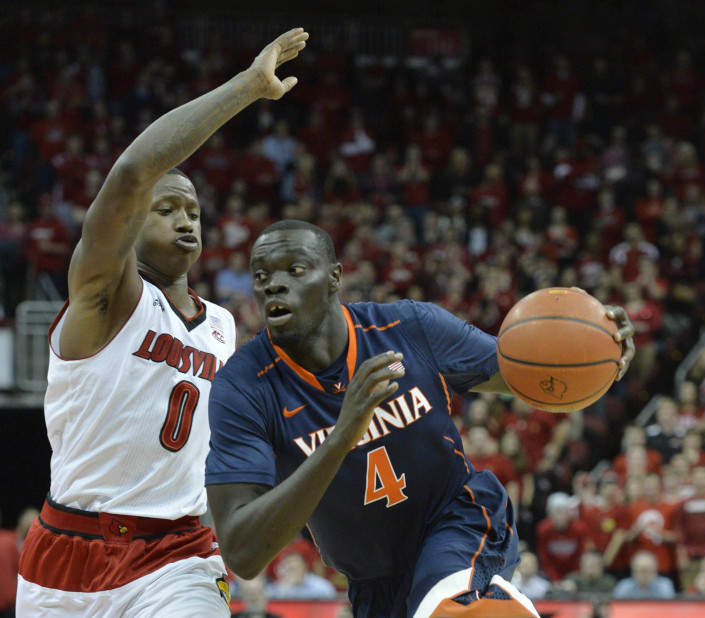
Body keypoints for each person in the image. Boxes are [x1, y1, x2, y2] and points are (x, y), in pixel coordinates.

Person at [16, 28, 309, 617]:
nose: (185, 220)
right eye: (167, 207)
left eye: (194, 210)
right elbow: (129, 175)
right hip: (67, 551)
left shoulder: (226, 326)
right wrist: (248, 87)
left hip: (178, 553)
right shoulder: (105, 295)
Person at [205, 219, 636, 618]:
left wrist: (598, 354)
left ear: (334, 277)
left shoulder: (409, 327)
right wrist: (340, 438)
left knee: (450, 607)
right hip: (371, 582)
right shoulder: (243, 388)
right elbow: (243, 554)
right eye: (262, 277)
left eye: (295, 270)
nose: (275, 285)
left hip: (456, 522)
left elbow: (531, 373)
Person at [611, 550, 676, 599]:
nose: (644, 574)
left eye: (648, 570)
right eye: (641, 570)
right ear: (633, 571)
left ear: (655, 570)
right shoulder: (624, 586)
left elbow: (668, 609)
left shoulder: (664, 585)